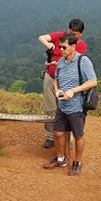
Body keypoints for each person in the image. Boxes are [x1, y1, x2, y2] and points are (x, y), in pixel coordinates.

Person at [42, 33, 97, 176]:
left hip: (77, 106)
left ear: (73, 46)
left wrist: (73, 91)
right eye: (59, 47)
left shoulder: (83, 61)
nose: (61, 49)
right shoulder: (61, 61)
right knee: (58, 133)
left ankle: (77, 162)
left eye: (64, 47)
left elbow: (92, 81)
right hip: (62, 105)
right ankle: (61, 159)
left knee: (78, 135)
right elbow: (56, 79)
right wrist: (57, 90)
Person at [37, 19, 87, 148]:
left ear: (80, 34)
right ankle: (50, 136)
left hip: (67, 81)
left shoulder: (80, 45)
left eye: (75, 34)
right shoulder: (59, 36)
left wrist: (56, 63)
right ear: (67, 29)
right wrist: (47, 44)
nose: (72, 35)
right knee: (50, 108)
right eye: (70, 32)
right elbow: (42, 37)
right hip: (50, 77)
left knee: (67, 109)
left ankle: (67, 138)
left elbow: (72, 60)